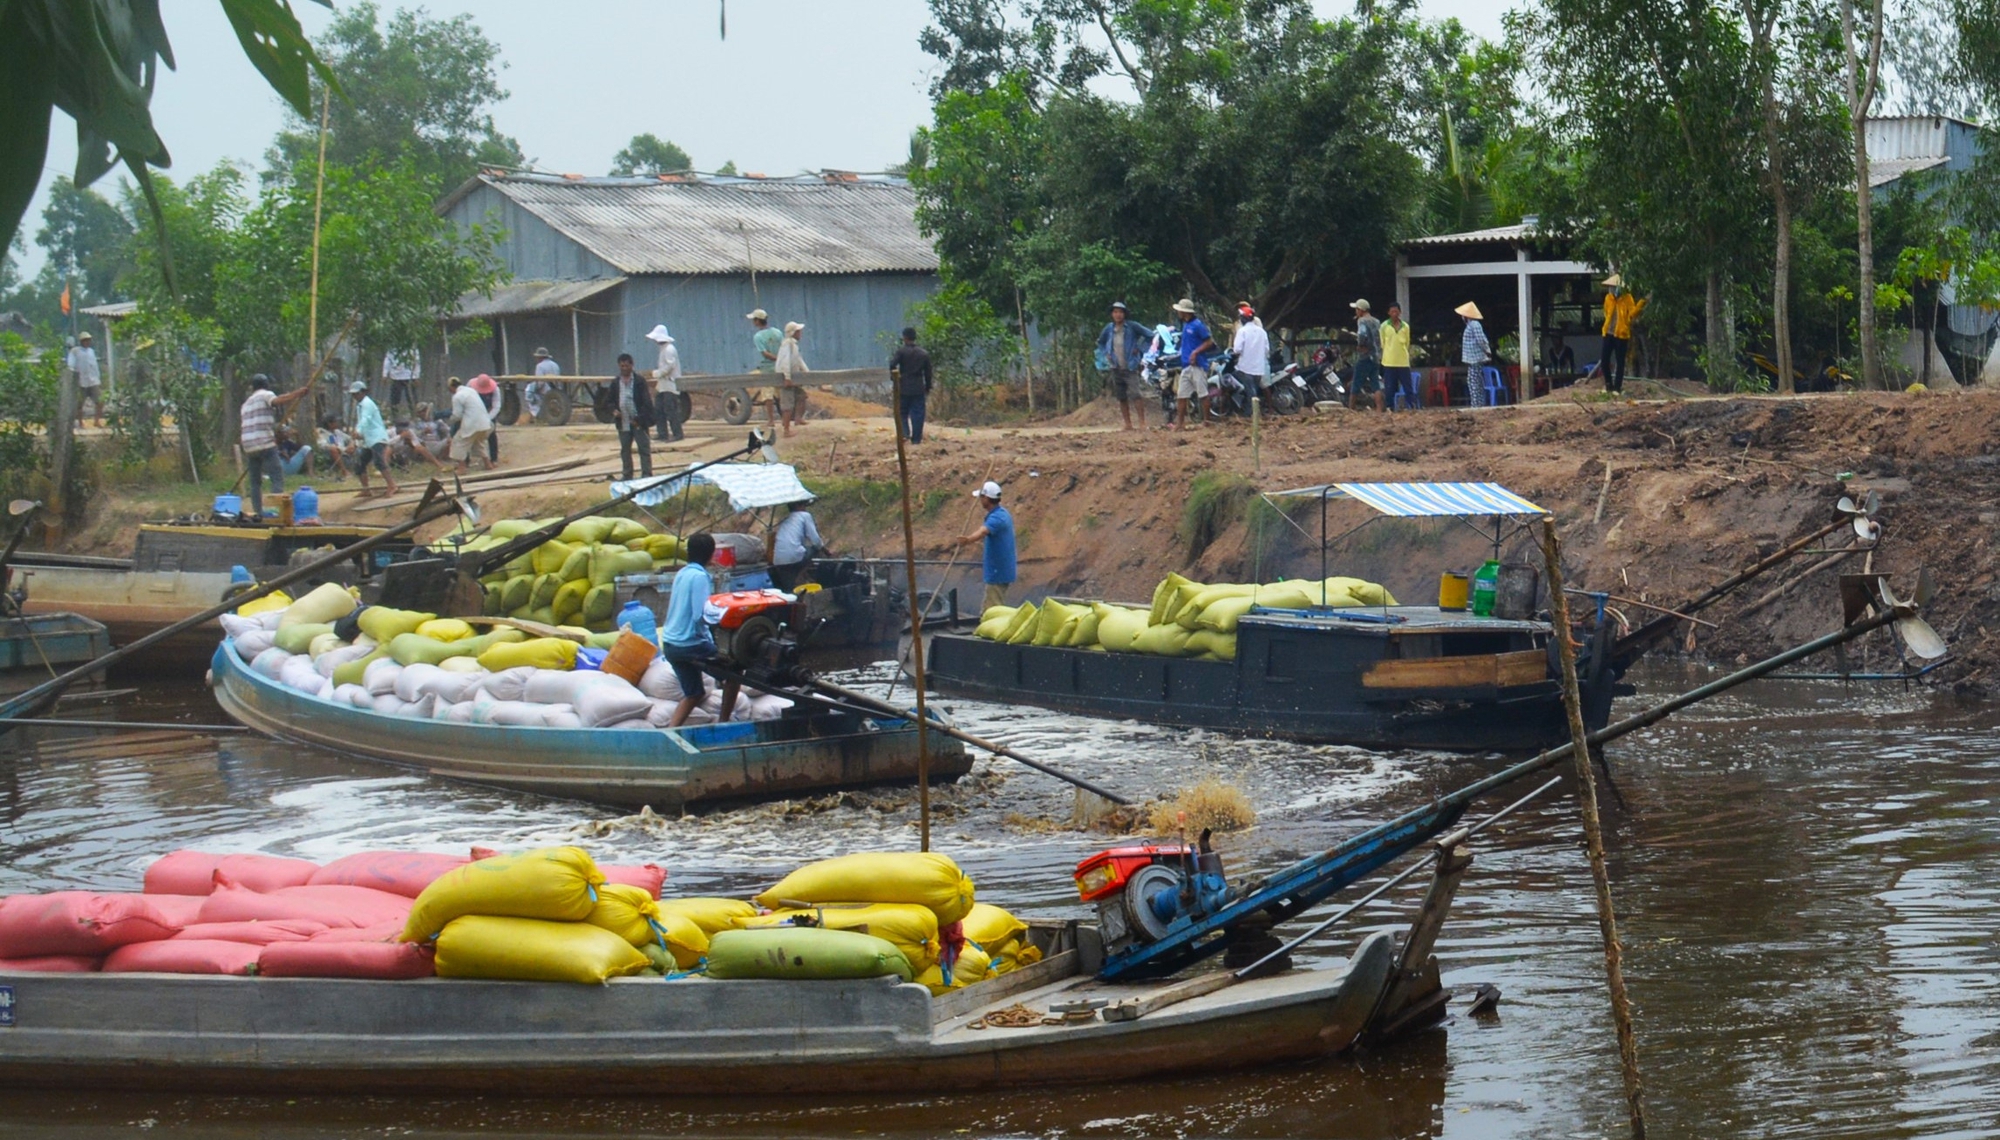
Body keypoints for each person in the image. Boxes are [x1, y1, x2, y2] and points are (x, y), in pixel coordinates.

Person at [663, 532, 742, 727]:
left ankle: (671, 730)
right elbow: (700, 615)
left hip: (670, 645)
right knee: (735, 673)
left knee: (694, 693)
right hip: (690, 645)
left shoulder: (682, 573)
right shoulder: (699, 577)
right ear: (711, 555)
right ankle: (724, 723)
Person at [239, 374, 310, 521]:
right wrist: (298, 394)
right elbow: (279, 400)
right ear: (266, 385)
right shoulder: (265, 394)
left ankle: (258, 513)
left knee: (255, 482)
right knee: (277, 477)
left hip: (248, 445)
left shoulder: (246, 404)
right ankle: (275, 512)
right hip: (264, 443)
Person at [953, 480, 1016, 611]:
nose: (980, 501)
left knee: (992, 609)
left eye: (981, 497)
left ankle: (989, 630)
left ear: (986, 498)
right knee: (992, 606)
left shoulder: (998, 518)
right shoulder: (999, 514)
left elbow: (983, 531)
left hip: (998, 571)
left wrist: (968, 540)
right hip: (998, 570)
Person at [1097, 302, 1149, 431]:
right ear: (1112, 314)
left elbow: (1150, 336)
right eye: (1115, 312)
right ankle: (1128, 424)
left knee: (1136, 394)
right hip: (1115, 366)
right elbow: (1100, 342)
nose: (1118, 315)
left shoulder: (1132, 327)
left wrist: (1140, 349)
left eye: (1120, 312)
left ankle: (1142, 423)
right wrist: (1106, 354)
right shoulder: (1109, 329)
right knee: (1121, 396)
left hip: (1130, 366)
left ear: (1125, 314)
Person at [347, 379, 398, 498]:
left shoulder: (367, 404)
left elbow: (365, 420)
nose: (355, 396)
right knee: (360, 463)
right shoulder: (360, 405)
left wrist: (358, 430)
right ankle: (366, 489)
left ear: (363, 392)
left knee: (379, 462)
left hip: (376, 437)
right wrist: (360, 434)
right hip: (368, 439)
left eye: (357, 393)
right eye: (353, 394)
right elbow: (363, 422)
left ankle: (392, 485)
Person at [1171, 298, 1216, 431]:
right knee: (1181, 394)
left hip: (1198, 365)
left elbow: (1209, 342)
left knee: (1202, 393)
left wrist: (1196, 352)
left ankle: (1207, 421)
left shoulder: (1197, 325)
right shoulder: (1186, 325)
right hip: (1186, 365)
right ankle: (1180, 423)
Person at [609, 352, 656, 479]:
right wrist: (614, 411)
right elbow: (609, 401)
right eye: (622, 366)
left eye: (626, 366)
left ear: (632, 365)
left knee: (644, 448)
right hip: (623, 422)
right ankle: (627, 474)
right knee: (625, 450)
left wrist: (639, 419)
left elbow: (646, 403)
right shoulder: (615, 383)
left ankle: (646, 474)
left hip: (638, 422)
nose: (624, 369)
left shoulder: (639, 382)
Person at [1599, 274, 1647, 395]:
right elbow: (1606, 312)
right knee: (1604, 360)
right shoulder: (1608, 298)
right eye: (1612, 287)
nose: (1613, 289)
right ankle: (1609, 385)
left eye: (1615, 287)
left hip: (1621, 335)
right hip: (1608, 333)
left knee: (1620, 362)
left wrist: (1641, 303)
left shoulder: (1627, 298)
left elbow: (1632, 314)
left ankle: (1617, 387)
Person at [769, 502, 828, 590]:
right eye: (803, 505)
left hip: (778, 560)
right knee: (816, 550)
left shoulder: (786, 520)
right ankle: (805, 575)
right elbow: (816, 540)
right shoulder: (804, 515)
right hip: (794, 556)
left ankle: (798, 581)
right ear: (798, 506)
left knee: (789, 589)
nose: (805, 508)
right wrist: (826, 551)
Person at [889, 326, 933, 444]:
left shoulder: (901, 352)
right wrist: (928, 387)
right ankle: (916, 439)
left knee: (902, 412)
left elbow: (892, 365)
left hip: (903, 387)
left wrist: (895, 379)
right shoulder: (924, 354)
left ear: (904, 338)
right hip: (918, 387)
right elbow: (928, 373)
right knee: (918, 414)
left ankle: (905, 433)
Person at [646, 324, 686, 443]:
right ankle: (662, 433)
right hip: (663, 385)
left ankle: (677, 434)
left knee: (670, 410)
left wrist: (657, 373)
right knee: (658, 409)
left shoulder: (669, 349)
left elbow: (670, 366)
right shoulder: (663, 349)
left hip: (670, 384)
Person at [445, 376, 493, 473]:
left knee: (458, 442)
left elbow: (457, 415)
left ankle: (462, 467)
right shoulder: (471, 391)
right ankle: (488, 463)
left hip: (472, 423)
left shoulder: (457, 397)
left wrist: (450, 420)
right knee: (479, 442)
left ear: (451, 387)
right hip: (485, 423)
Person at [748, 308, 782, 432]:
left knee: (768, 394)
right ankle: (785, 418)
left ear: (757, 321)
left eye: (754, 320)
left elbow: (765, 353)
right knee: (781, 392)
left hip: (768, 367)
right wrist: (780, 359)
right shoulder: (777, 332)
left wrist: (775, 358)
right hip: (779, 367)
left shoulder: (758, 336)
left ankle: (771, 420)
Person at [773, 322, 809, 438]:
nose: (800, 333)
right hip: (786, 378)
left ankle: (798, 419)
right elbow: (785, 361)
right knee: (787, 405)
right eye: (798, 331)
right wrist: (787, 377)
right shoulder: (787, 345)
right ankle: (786, 430)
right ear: (793, 333)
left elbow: (798, 361)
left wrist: (808, 373)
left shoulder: (793, 345)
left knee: (801, 396)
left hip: (793, 377)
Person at [1232, 302, 1270, 408]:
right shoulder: (1262, 332)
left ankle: (1250, 414)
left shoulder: (1242, 331)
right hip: (1258, 368)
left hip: (1245, 367)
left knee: (1250, 392)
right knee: (1254, 391)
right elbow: (1266, 349)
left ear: (1244, 318)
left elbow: (1237, 349)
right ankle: (1254, 414)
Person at [1350, 299, 1384, 412]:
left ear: (1361, 310)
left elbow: (1362, 334)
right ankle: (1379, 409)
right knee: (1375, 384)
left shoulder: (1362, 321)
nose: (1356, 311)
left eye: (1356, 309)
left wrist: (1360, 345)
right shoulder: (1377, 321)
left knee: (1356, 382)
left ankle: (1351, 408)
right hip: (1376, 356)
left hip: (1365, 356)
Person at [1457, 302, 1491, 406]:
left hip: (1476, 358)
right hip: (1472, 359)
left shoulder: (1474, 325)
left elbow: (1481, 339)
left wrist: (1487, 351)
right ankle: (1477, 403)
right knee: (1474, 381)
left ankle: (1477, 404)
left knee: (1474, 382)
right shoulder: (1471, 325)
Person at [1381, 302, 1414, 409]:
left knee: (1408, 387)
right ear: (1389, 313)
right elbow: (1382, 343)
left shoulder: (1406, 326)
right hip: (1389, 361)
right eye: (1392, 311)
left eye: (1396, 311)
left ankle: (1411, 406)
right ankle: (1389, 407)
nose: (1394, 314)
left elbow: (1407, 343)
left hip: (1403, 362)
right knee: (1389, 387)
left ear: (1400, 312)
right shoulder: (1384, 326)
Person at [68, 331, 103, 428]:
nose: (87, 342)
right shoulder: (75, 351)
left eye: (88, 340)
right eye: (85, 340)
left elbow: (94, 366)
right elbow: (71, 365)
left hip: (93, 381)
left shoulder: (91, 351)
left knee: (100, 402)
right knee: (79, 404)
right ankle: (80, 423)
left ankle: (97, 421)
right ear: (81, 341)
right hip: (81, 382)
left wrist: (98, 378)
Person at [470, 372, 502, 466]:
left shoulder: (495, 389)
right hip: (474, 413)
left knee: (491, 434)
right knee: (468, 435)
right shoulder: (470, 385)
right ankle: (466, 460)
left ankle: (493, 458)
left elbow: (496, 405)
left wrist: (488, 418)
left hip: (489, 412)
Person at [526, 346, 560, 421]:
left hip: (545, 390)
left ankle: (536, 414)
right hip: (556, 389)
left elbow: (540, 382)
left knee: (529, 391)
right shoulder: (555, 364)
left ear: (540, 357)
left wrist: (534, 389)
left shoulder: (539, 366)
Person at [382, 348, 419, 414]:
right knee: (394, 400)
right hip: (395, 376)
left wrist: (416, 375)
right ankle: (395, 416)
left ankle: (415, 415)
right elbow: (388, 360)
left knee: (412, 399)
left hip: (409, 376)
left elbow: (416, 361)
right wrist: (385, 374)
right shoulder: (392, 348)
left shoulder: (412, 347)